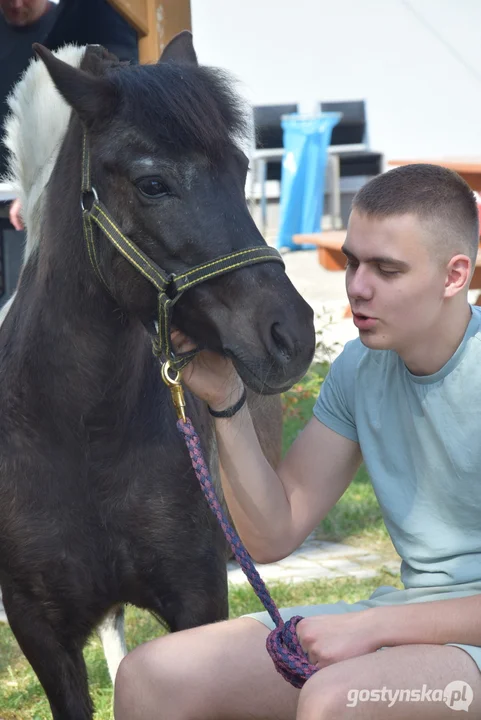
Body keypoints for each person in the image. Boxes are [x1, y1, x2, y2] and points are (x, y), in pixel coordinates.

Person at [113, 163, 481, 719]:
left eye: (388, 269)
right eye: (354, 262)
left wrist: (371, 626)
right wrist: (227, 403)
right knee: (151, 678)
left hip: (436, 638)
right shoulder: (360, 368)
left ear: (455, 276)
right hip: (409, 620)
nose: (358, 286)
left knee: (336, 701)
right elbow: (274, 532)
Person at [0, 0, 138, 230]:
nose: (16, 3)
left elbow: (88, 126)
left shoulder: (76, 26)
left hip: (48, 203)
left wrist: (36, 192)